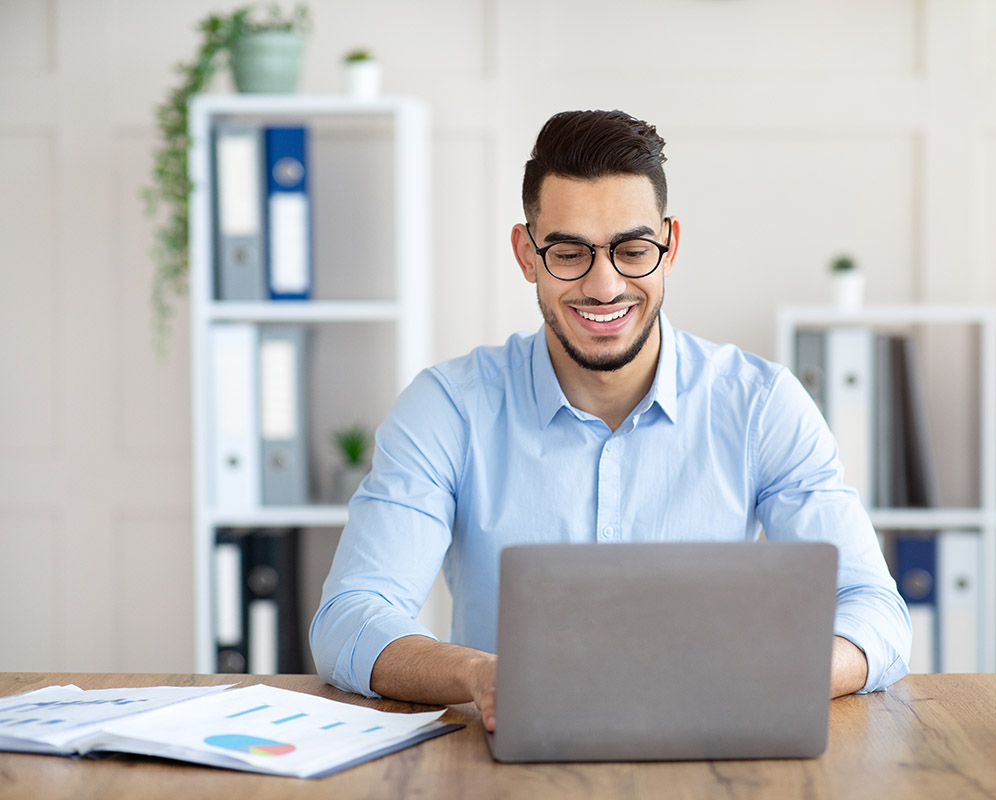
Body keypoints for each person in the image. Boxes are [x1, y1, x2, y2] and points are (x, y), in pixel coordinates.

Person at [310, 109, 911, 732]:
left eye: (632, 250)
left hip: (715, 747)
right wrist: (479, 676)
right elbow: (351, 617)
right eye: (569, 253)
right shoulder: (448, 408)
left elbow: (874, 611)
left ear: (670, 247)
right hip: (507, 761)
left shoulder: (761, 404)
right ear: (527, 255)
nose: (604, 286)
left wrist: (773, 674)